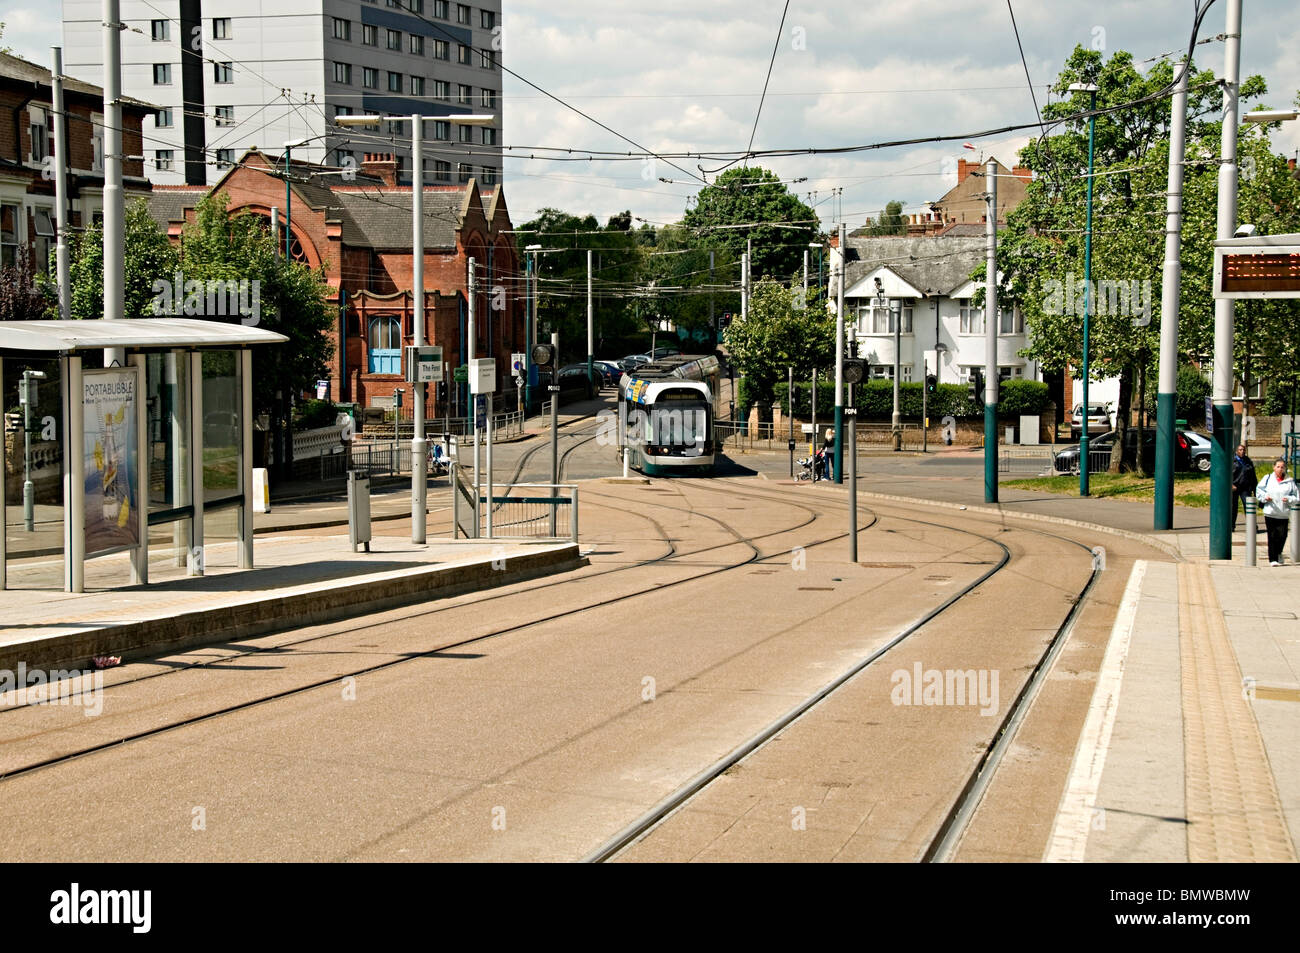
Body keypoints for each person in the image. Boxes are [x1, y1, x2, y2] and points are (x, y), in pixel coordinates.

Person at [1256, 457, 1299, 566]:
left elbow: (1296, 496)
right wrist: (1265, 497)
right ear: (1274, 467)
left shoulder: (1290, 481)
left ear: (1285, 469)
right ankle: (1273, 559)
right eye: (1278, 467)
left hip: (1283, 513)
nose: (1280, 469)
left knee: (1282, 535)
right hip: (1270, 511)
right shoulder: (1268, 478)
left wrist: (1289, 499)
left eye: (1282, 467)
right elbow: (1259, 490)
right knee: (1272, 535)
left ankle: (1279, 552)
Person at [1232, 443, 1257, 532]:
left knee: (1248, 506)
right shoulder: (1232, 461)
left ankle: (1252, 526)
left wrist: (1254, 488)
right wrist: (1231, 484)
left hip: (1245, 488)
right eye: (1240, 450)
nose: (1242, 452)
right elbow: (1227, 475)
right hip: (1234, 487)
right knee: (1233, 508)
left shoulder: (1248, 461)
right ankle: (1231, 526)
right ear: (1236, 451)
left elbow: (1253, 476)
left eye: (1243, 450)